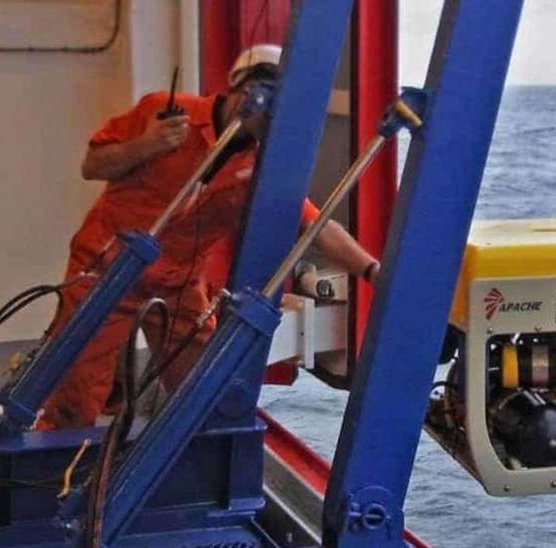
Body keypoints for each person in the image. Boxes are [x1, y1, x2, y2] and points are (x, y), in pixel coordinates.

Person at [37, 45, 378, 429]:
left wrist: (372, 271)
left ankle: (197, 466)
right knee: (75, 398)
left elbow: (315, 225)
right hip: (107, 266)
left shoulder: (263, 166)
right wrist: (147, 145)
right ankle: (53, 476)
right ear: (246, 92)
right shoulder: (163, 115)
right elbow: (93, 165)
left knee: (204, 385)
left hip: (177, 281)